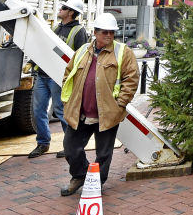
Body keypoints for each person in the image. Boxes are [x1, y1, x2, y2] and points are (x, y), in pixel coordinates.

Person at [59, 12, 140, 196]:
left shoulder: (122, 52)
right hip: (81, 113)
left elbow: (132, 78)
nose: (109, 35)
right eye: (105, 32)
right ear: (95, 32)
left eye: (112, 32)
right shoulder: (82, 52)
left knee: (103, 154)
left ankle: (96, 184)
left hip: (108, 114)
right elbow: (68, 75)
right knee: (70, 148)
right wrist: (68, 102)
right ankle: (80, 175)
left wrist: (120, 104)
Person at [28, 0, 87, 159]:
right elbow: (46, 48)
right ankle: (43, 143)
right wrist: (32, 62)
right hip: (43, 75)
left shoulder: (78, 31)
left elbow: (82, 57)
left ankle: (71, 146)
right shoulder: (56, 28)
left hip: (59, 78)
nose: (60, 9)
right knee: (38, 110)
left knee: (61, 111)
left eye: (64, 8)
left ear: (71, 12)